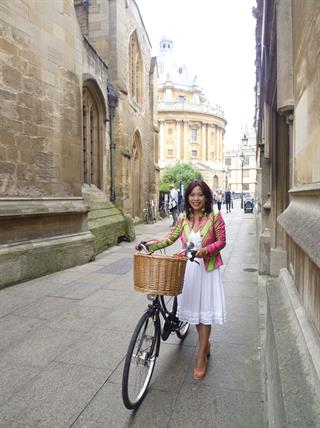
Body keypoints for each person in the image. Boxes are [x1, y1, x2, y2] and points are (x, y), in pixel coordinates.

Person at [146, 179, 226, 380]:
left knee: (204, 313)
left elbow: (221, 241)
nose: (196, 199)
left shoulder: (215, 216)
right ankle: (205, 344)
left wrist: (205, 250)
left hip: (207, 270)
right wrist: (150, 246)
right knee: (194, 313)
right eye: (192, 195)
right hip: (189, 270)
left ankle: (201, 356)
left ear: (206, 196)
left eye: (200, 195)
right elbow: (170, 239)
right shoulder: (183, 218)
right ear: (187, 197)